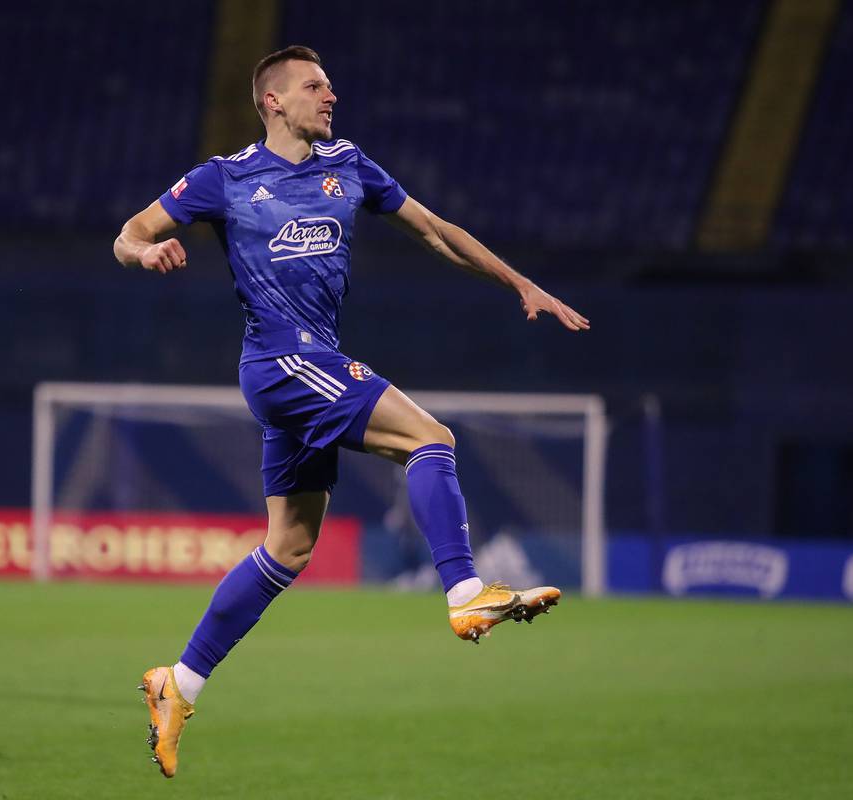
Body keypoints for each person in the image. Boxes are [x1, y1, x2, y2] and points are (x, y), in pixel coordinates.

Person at [114, 46, 590, 778]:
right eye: (314, 86)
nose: (330, 95)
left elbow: (436, 231)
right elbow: (130, 233)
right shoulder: (224, 177)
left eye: (330, 84)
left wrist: (519, 282)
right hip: (282, 360)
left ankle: (178, 684)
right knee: (431, 439)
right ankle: (466, 593)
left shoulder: (351, 165)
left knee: (289, 549)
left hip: (306, 365)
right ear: (273, 101)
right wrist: (145, 255)